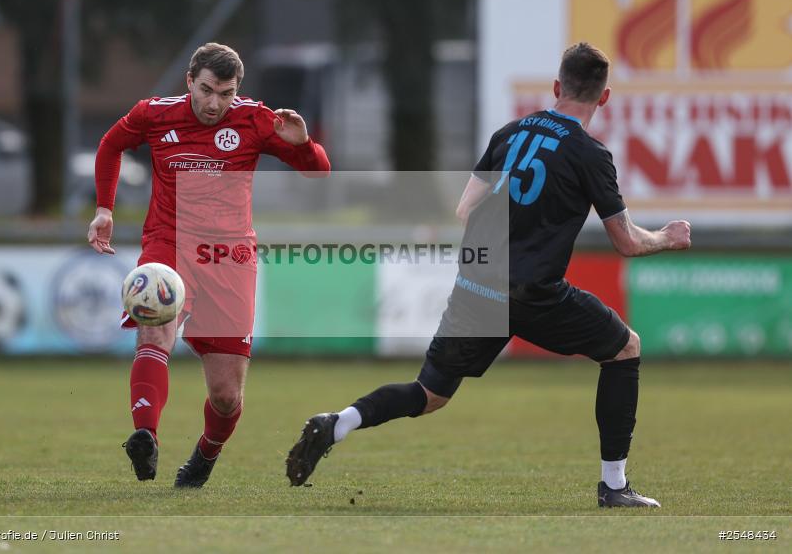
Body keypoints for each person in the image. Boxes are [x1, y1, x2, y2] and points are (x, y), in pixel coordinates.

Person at [285, 42, 691, 508]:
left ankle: (338, 422)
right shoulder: (590, 153)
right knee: (625, 349)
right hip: (533, 292)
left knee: (430, 393)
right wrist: (668, 237)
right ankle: (614, 487)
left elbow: (464, 208)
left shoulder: (509, 133)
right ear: (604, 98)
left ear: (557, 87)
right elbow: (627, 242)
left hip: (478, 284)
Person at [89, 42, 330, 488]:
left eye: (226, 93)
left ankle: (205, 455)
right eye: (206, 90)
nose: (215, 103)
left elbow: (319, 173)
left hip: (230, 257)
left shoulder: (256, 120)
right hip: (169, 245)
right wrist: (105, 208)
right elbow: (111, 145)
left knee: (225, 395)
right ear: (189, 82)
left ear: (237, 90)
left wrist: (305, 144)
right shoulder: (155, 114)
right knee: (154, 330)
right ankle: (145, 436)